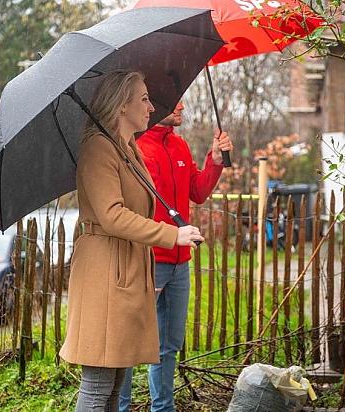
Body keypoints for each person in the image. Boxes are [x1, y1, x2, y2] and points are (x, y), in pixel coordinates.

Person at [59, 71, 204, 412]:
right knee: (98, 386)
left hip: (123, 272)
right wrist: (172, 234)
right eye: (143, 99)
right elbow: (112, 215)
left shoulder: (126, 148)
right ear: (122, 105)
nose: (152, 107)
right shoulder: (98, 148)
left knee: (115, 385)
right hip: (104, 274)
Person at [119, 101, 233, 411]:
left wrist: (214, 159)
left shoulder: (179, 145)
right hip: (149, 262)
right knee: (129, 345)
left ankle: (163, 407)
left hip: (180, 264)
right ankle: (121, 407)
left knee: (168, 346)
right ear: (153, 103)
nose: (181, 106)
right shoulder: (136, 148)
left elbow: (197, 191)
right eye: (175, 100)